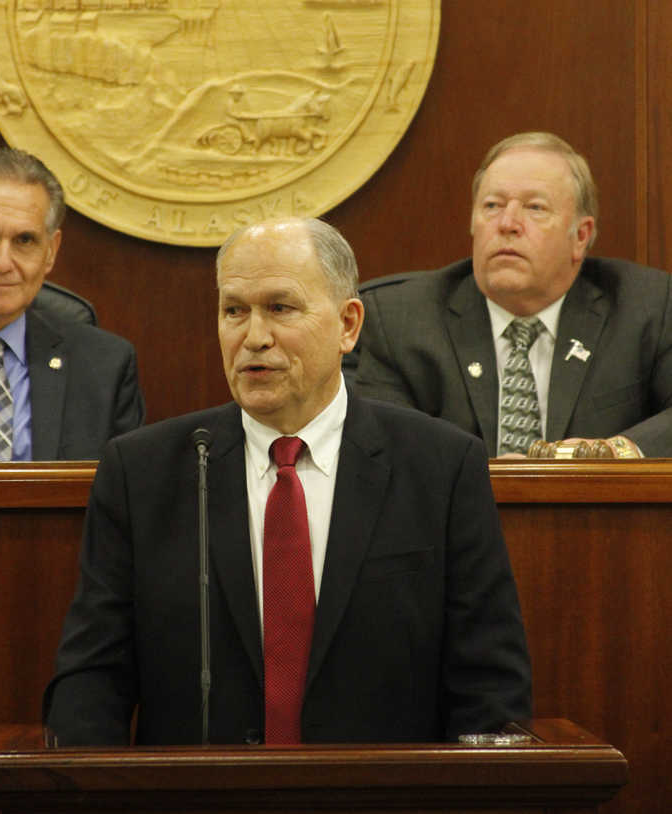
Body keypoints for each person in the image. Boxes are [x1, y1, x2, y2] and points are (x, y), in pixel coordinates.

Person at [43, 216, 530, 746]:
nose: (253, 337)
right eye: (234, 311)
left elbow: (489, 686)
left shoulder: (441, 467)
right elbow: (92, 680)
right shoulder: (142, 473)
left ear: (348, 324)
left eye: (280, 308)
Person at [349, 132, 672, 458]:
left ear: (581, 236)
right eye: (492, 206)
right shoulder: (400, 320)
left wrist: (616, 450)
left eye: (535, 207)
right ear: (473, 224)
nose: (507, 223)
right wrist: (478, 479)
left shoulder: (647, 309)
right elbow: (382, 444)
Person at [0, 146, 144, 461]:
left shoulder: (106, 368)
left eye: (25, 241)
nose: (3, 262)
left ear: (50, 251)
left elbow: (123, 501)